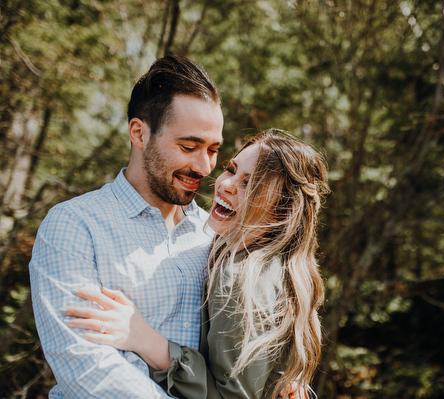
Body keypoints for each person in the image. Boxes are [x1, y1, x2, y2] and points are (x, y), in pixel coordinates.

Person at [61, 129, 329, 399]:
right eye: (231, 169)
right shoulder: (269, 264)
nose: (226, 184)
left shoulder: (241, 277)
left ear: (280, 212)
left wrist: (145, 339)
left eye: (250, 184)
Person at [29, 55, 224, 398]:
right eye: (189, 146)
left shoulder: (213, 234)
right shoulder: (75, 224)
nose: (204, 166)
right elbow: (84, 365)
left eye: (213, 150)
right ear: (139, 133)